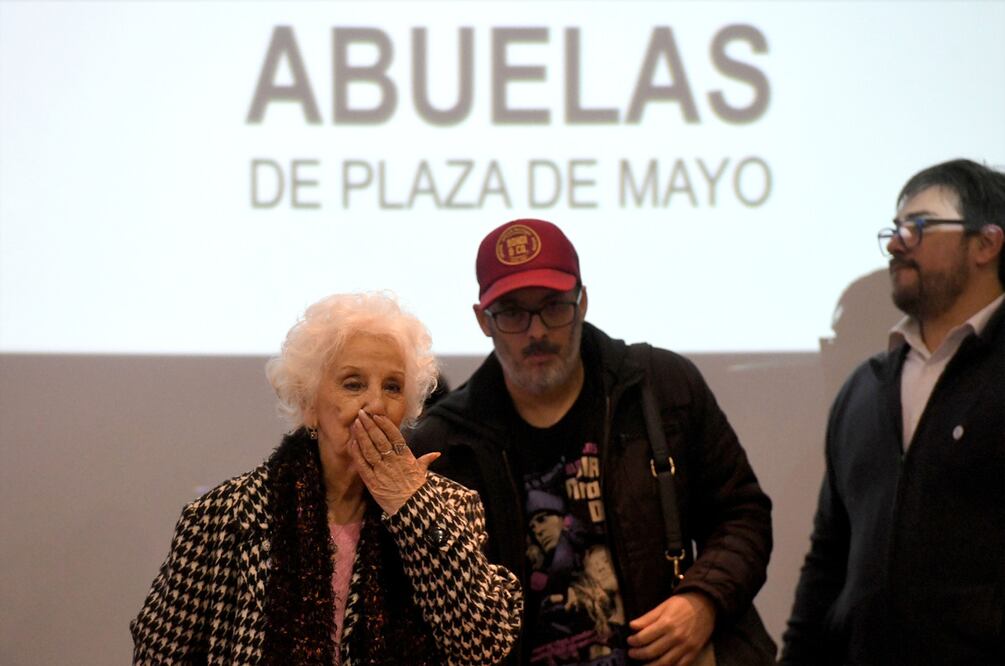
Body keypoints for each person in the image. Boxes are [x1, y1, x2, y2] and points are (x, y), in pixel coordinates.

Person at [408, 219, 775, 665]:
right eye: (512, 313)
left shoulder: (660, 388)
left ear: (583, 302)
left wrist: (703, 600)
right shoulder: (449, 443)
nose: (537, 331)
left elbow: (742, 514)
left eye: (553, 306)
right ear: (483, 321)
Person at [131, 292, 522, 665]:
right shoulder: (222, 517)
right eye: (353, 384)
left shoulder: (448, 508)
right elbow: (159, 655)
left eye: (393, 386)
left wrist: (412, 507)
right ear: (308, 404)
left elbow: (483, 646)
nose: (375, 404)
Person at [781, 159, 1005, 665]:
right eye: (895, 229)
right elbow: (827, 561)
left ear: (986, 245)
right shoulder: (863, 388)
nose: (896, 243)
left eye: (919, 226)